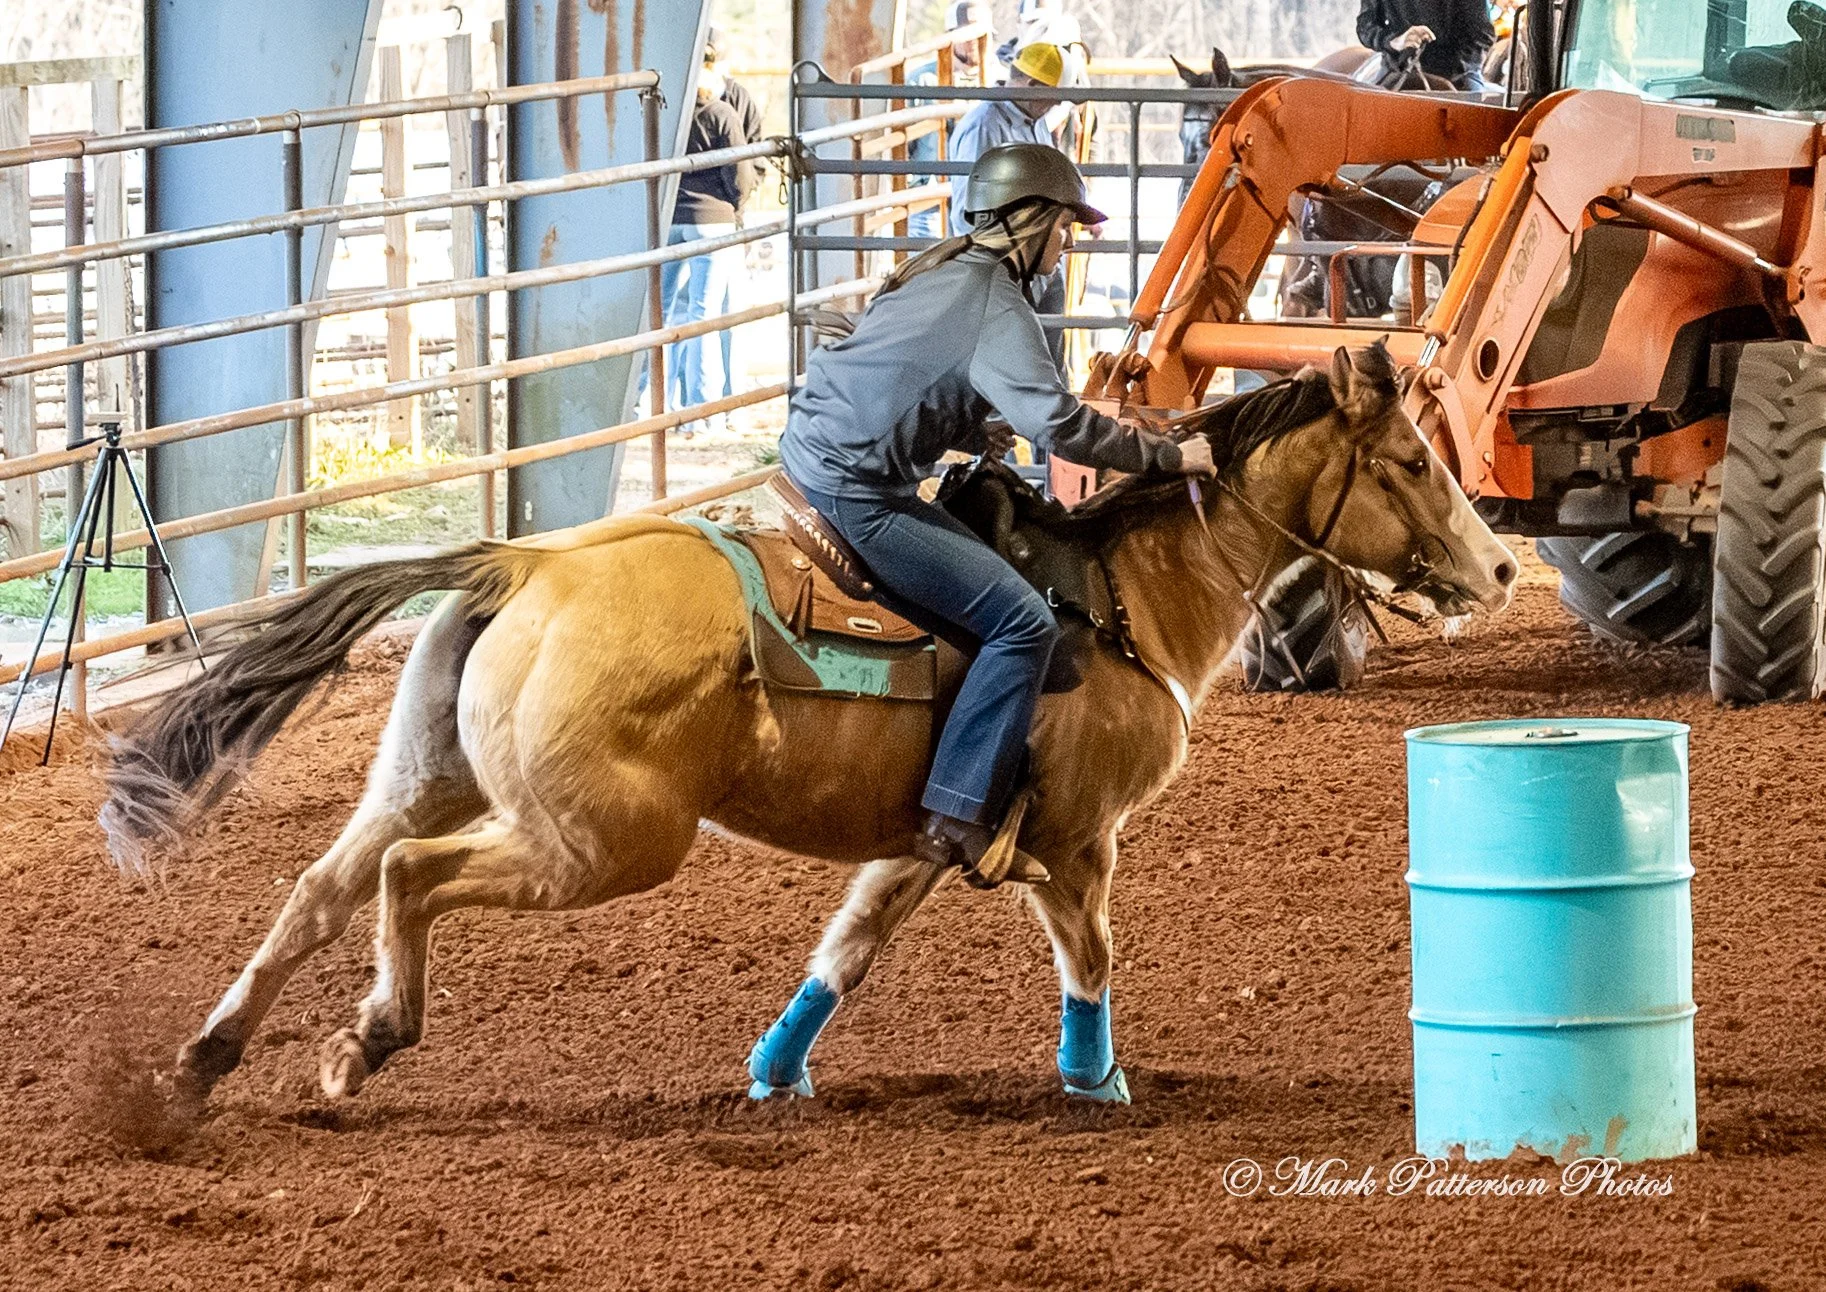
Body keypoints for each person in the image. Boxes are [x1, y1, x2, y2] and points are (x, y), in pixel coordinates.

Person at [777, 144, 1214, 880]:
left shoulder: (936, 271)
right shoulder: (998, 302)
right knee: (1023, 623)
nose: (1067, 242)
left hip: (814, 459)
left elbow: (906, 379)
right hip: (860, 494)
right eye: (1065, 227)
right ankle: (957, 814)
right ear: (1030, 220)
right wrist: (1169, 457)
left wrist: (968, 428)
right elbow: (1059, 425)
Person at [657, 67, 752, 431]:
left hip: (670, 219)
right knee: (704, 314)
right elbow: (739, 174)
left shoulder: (670, 114)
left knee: (661, 315)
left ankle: (653, 409)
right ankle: (700, 414)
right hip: (712, 220)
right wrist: (735, 207)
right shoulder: (723, 114)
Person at [706, 26, 766, 401]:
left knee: (704, 309)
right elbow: (754, 157)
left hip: (719, 212)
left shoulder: (736, 98)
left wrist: (741, 198)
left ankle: (726, 395)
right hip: (722, 212)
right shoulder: (729, 100)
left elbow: (754, 153)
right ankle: (721, 399)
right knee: (718, 306)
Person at [906, 0, 993, 241]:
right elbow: (903, 145)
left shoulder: (999, 81)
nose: (973, 41)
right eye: (965, 34)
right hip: (931, 200)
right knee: (930, 258)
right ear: (950, 36)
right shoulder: (922, 81)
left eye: (980, 34)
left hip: (983, 201)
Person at [1356, 0, 1496, 91]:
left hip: (1457, 73)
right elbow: (1365, 26)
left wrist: (1455, 65)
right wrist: (1395, 40)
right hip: (1398, 66)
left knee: (1478, 120)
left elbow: (1484, 34)